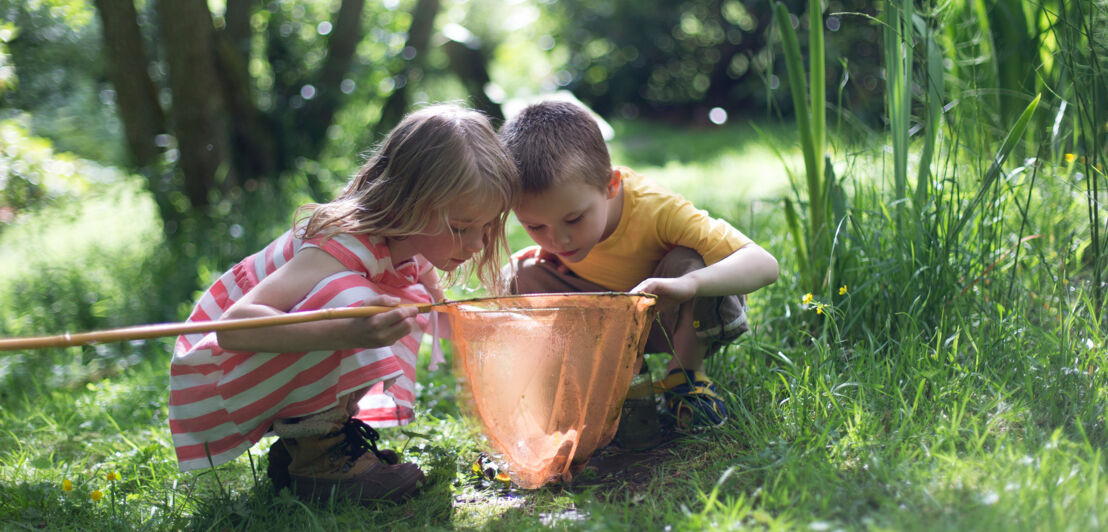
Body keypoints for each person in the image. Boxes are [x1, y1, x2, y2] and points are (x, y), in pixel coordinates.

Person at [169, 104, 518, 504]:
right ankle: (320, 460)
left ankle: (307, 447)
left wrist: (492, 332)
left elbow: (443, 316)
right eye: (460, 227)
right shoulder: (341, 246)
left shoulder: (411, 245)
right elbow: (235, 328)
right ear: (411, 202)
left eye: (486, 227)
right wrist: (349, 331)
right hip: (214, 374)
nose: (476, 245)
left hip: (258, 368)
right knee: (358, 302)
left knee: (404, 302)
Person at [499, 100, 778, 431]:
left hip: (670, 318)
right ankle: (611, 378)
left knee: (691, 261)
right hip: (609, 322)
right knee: (518, 274)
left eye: (573, 219)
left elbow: (765, 264)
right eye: (536, 227)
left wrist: (689, 285)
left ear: (611, 184)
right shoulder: (561, 230)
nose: (558, 240)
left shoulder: (656, 209)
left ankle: (685, 378)